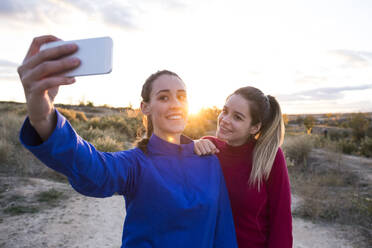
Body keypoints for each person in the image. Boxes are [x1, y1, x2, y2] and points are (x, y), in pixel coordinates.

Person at [17, 35, 238, 248]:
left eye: (181, 96)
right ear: (146, 107)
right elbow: (90, 166)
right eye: (163, 97)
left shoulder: (209, 160)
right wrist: (42, 114)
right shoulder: (135, 164)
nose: (175, 104)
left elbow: (224, 231)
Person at [194, 86, 292, 248]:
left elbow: (281, 221)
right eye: (224, 111)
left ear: (254, 127)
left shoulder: (269, 157)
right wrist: (193, 146)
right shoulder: (209, 148)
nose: (225, 119)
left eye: (237, 117)